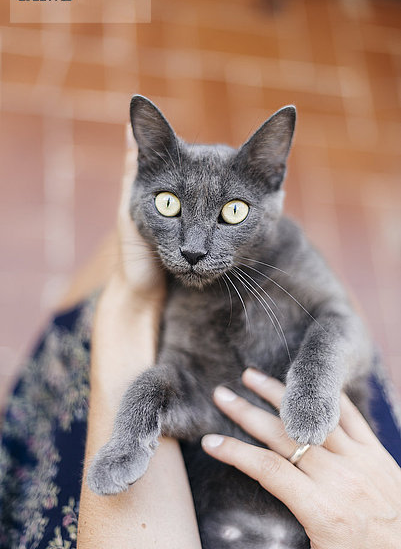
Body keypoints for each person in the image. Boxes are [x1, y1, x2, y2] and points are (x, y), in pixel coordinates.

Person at [1, 141, 400, 548]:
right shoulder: (183, 287)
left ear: (272, 182)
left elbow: (340, 321)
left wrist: (315, 377)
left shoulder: (292, 258)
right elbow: (188, 393)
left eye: (233, 213)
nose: (193, 248)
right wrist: (135, 430)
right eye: (170, 206)